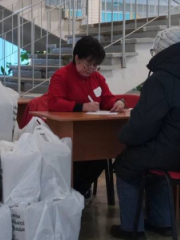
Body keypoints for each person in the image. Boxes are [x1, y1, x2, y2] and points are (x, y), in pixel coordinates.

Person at [113, 27, 180, 240]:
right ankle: (163, 222)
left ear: (163, 53)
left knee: (126, 164)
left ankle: (132, 229)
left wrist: (123, 136)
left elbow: (141, 127)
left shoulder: (160, 80)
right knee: (155, 164)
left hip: (173, 155)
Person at [47, 36, 126, 200]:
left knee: (102, 154)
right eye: (88, 64)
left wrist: (118, 103)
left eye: (95, 66)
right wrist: (81, 107)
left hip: (92, 133)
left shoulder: (97, 78)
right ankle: (73, 192)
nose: (91, 69)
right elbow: (54, 102)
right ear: (77, 58)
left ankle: (78, 191)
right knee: (80, 156)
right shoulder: (61, 76)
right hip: (68, 133)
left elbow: (107, 99)